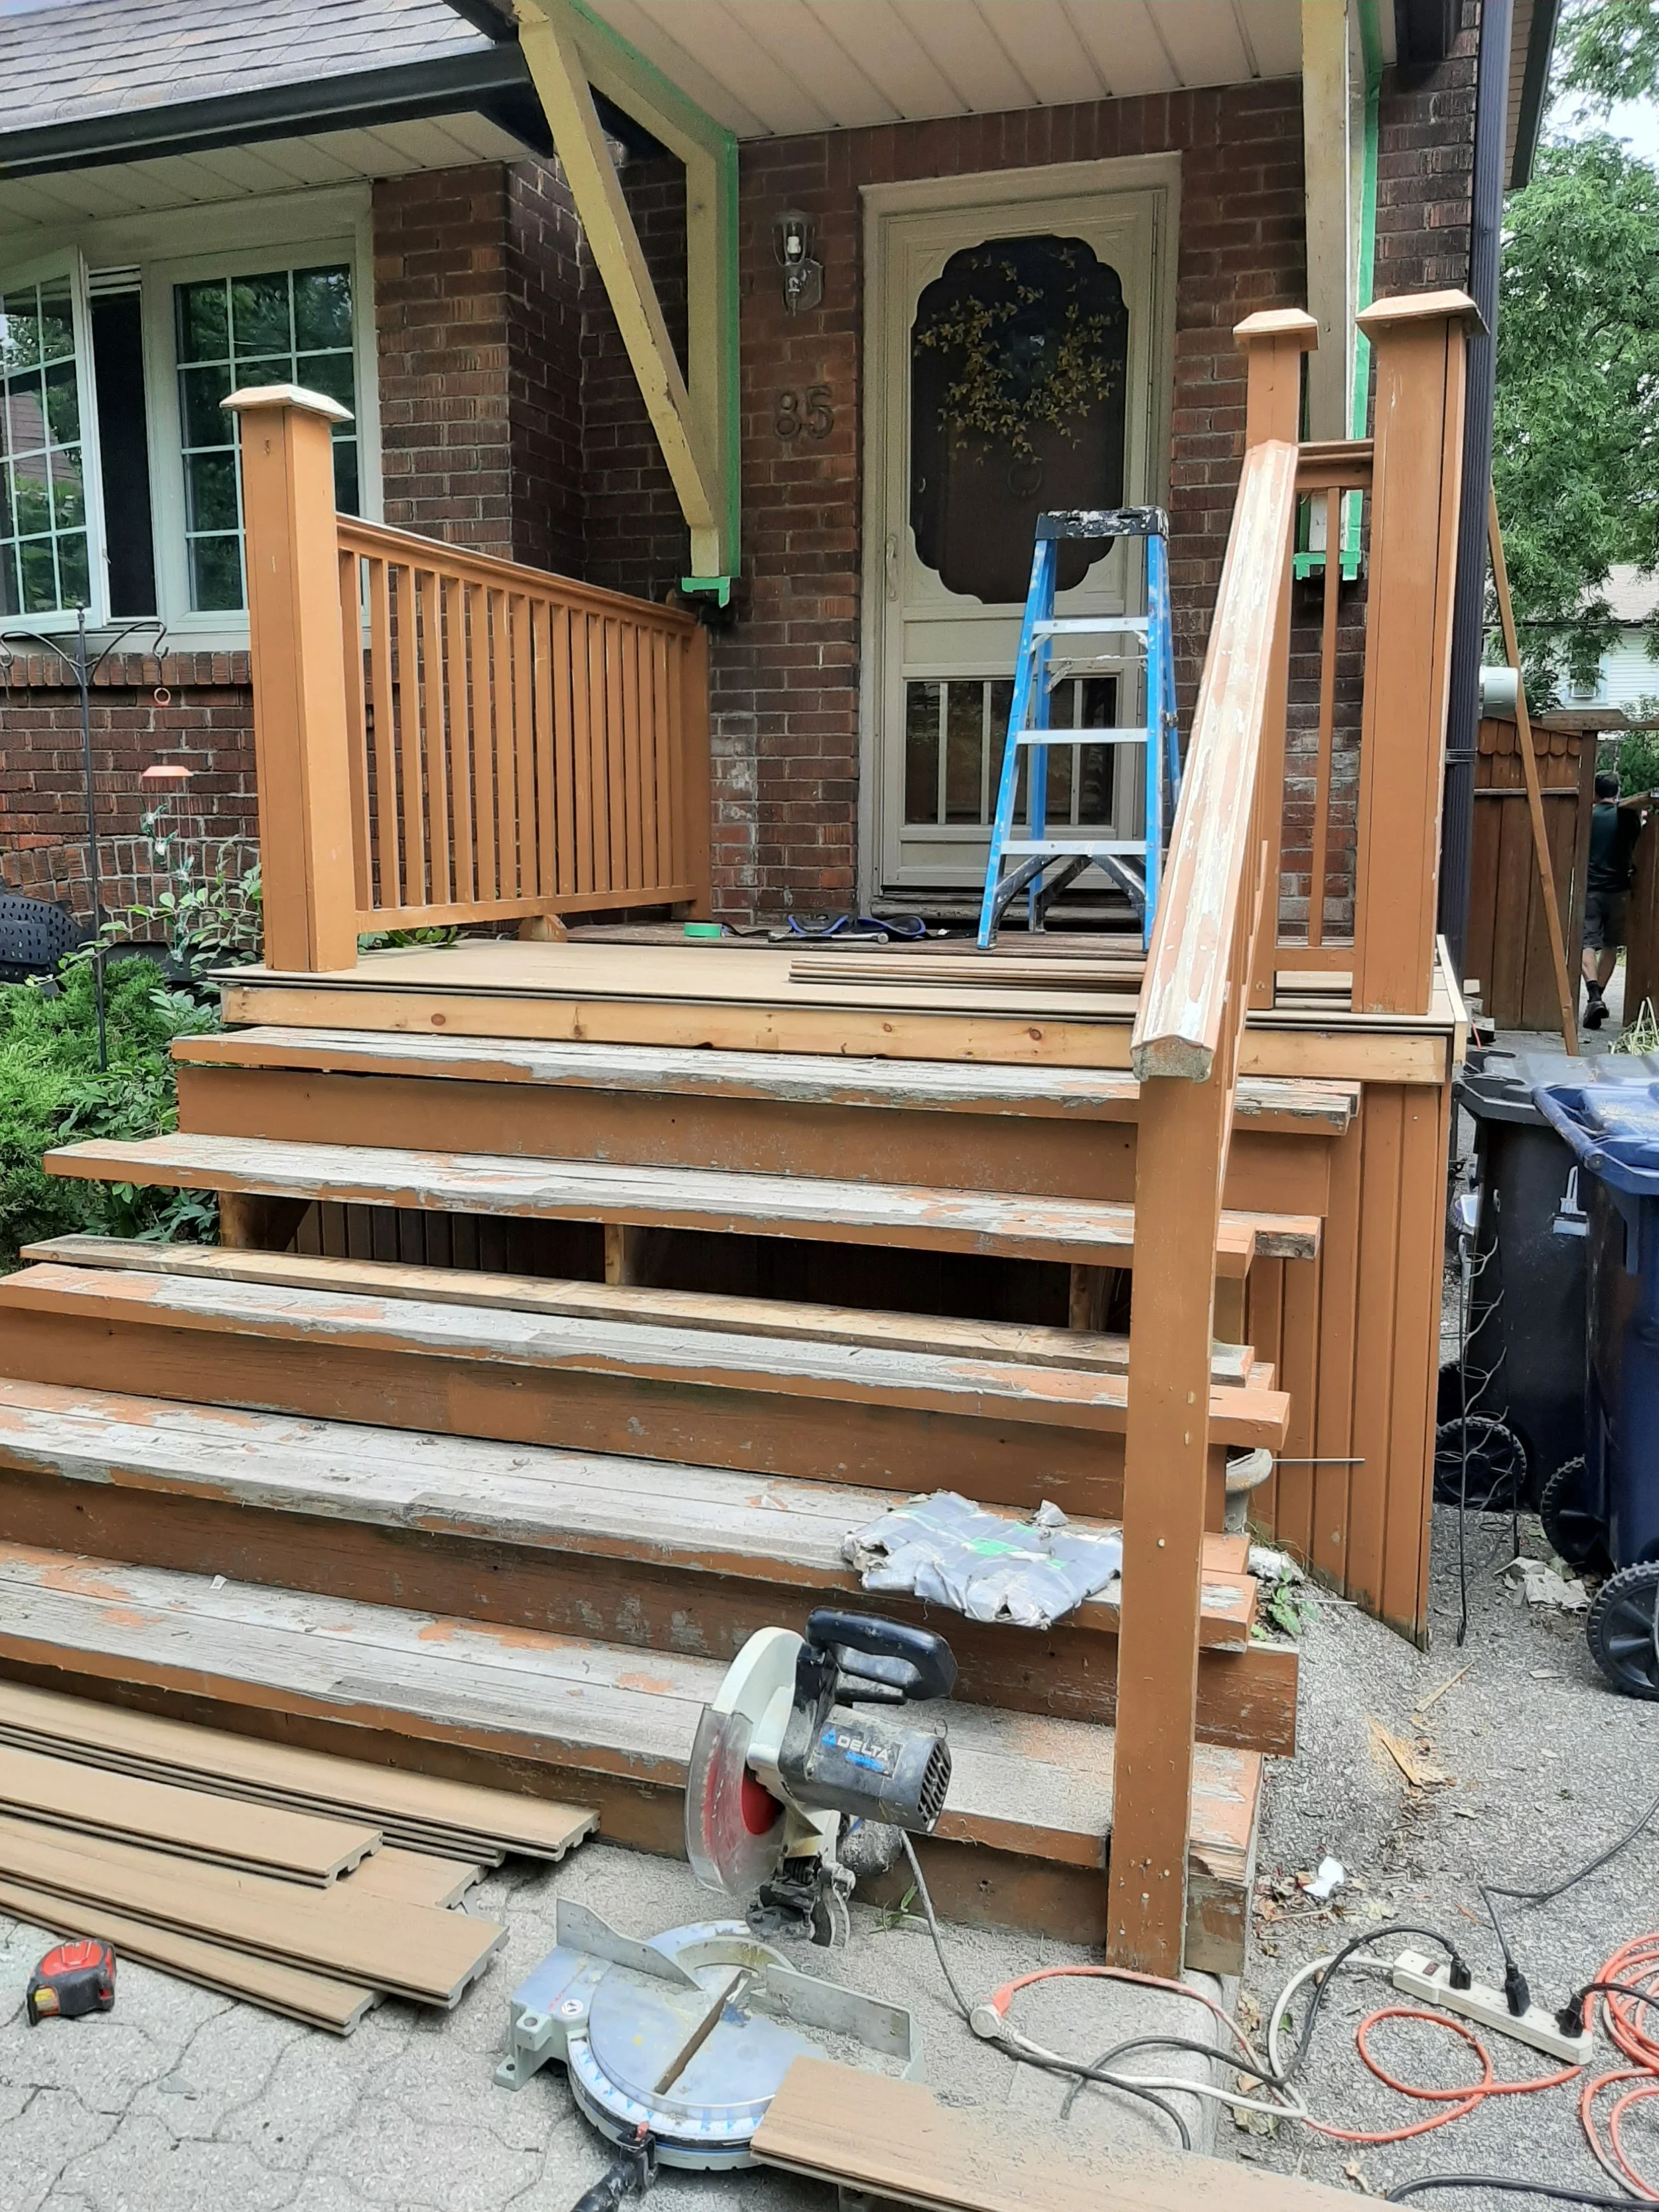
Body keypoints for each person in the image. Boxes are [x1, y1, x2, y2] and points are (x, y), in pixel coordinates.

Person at [1583, 770, 1652, 1029]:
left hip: (1589, 889)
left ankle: (1594, 997)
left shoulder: (1587, 817)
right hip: (1620, 891)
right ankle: (1596, 998)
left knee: (1585, 944)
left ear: (1596, 792)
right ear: (1617, 791)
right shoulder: (1629, 818)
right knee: (1611, 946)